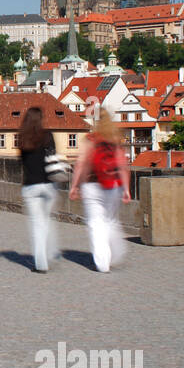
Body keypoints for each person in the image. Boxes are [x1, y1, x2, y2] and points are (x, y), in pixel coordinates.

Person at [68, 111, 132, 273]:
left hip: (92, 186)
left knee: (96, 223)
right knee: (110, 220)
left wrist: (75, 186)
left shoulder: (90, 139)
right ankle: (117, 251)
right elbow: (123, 166)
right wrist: (126, 189)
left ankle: (102, 262)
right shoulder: (115, 140)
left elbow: (81, 163)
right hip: (113, 186)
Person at [18, 106, 60, 272]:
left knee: (37, 224)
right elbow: (53, 157)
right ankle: (50, 251)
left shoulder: (23, 139)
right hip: (48, 184)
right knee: (46, 221)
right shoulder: (48, 136)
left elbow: (22, 163)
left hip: (31, 185)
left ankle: (41, 263)